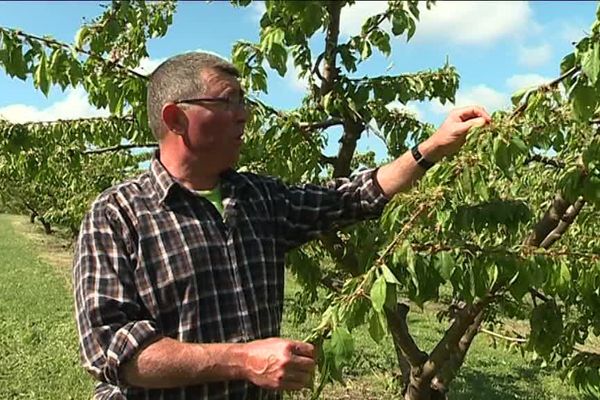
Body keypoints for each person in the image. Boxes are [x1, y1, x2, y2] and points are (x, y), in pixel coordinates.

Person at [73, 51, 491, 400]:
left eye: (244, 101)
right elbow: (114, 351)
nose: (245, 115)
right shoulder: (117, 215)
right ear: (176, 118)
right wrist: (243, 360)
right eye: (229, 101)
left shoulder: (258, 198)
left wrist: (433, 147)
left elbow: (351, 196)